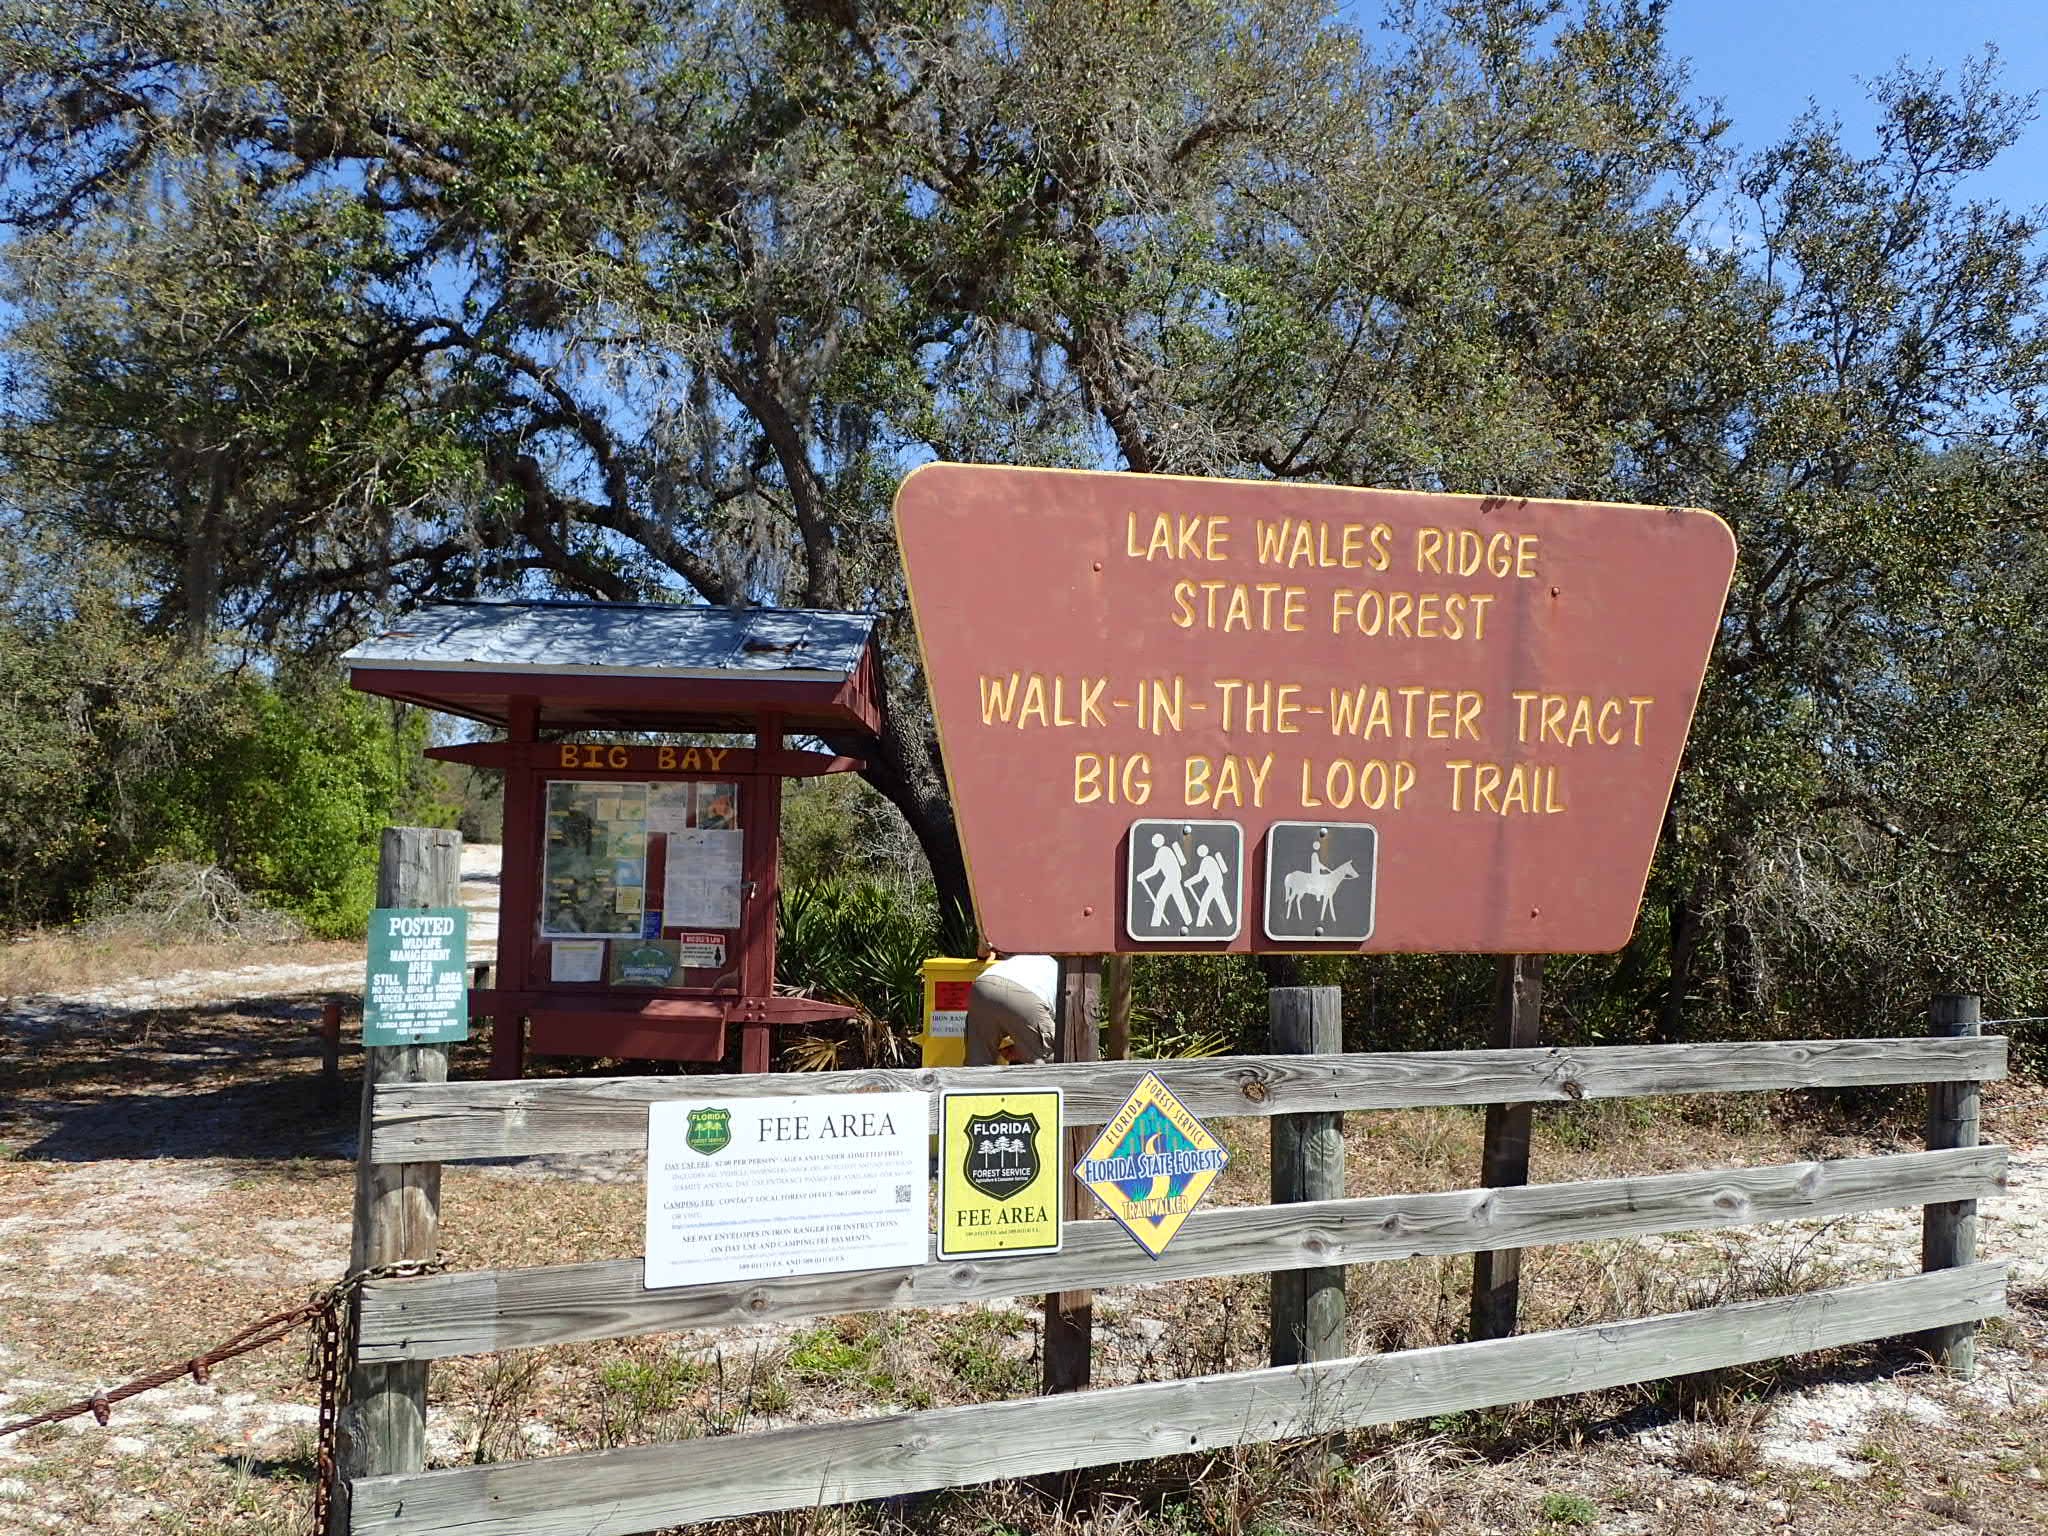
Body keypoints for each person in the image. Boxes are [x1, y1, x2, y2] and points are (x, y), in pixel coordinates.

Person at [965, 952, 1059, 1065]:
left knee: (978, 1063)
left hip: (983, 985)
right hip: (1027, 995)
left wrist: (1019, 1048)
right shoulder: (1063, 969)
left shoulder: (1026, 956)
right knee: (1048, 1060)